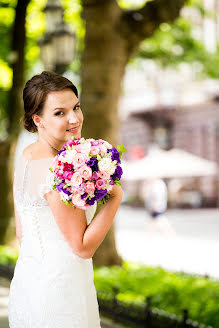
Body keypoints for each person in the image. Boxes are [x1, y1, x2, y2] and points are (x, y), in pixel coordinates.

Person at [8, 71, 123, 327]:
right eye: (60, 113)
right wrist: (115, 197)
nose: (74, 118)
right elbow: (82, 247)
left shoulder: (27, 155)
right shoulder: (56, 169)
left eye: (76, 107)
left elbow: (22, 233)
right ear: (37, 119)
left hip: (29, 283)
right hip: (61, 291)